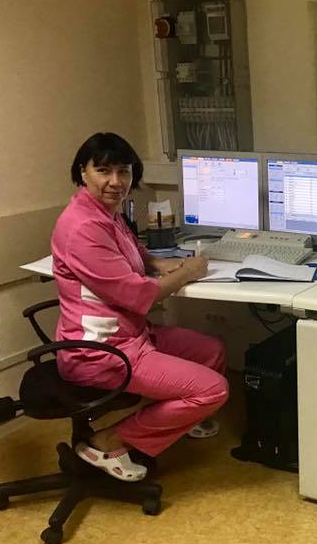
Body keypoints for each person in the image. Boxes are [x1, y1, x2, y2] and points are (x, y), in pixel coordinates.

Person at [52, 132, 228, 483]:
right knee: (213, 389)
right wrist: (189, 271)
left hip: (132, 334)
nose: (116, 181)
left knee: (212, 352)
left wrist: (159, 264)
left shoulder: (106, 213)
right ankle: (107, 441)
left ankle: (168, 424)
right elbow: (140, 296)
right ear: (82, 172)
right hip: (101, 352)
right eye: (103, 171)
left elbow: (131, 251)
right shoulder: (82, 227)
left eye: (124, 171)